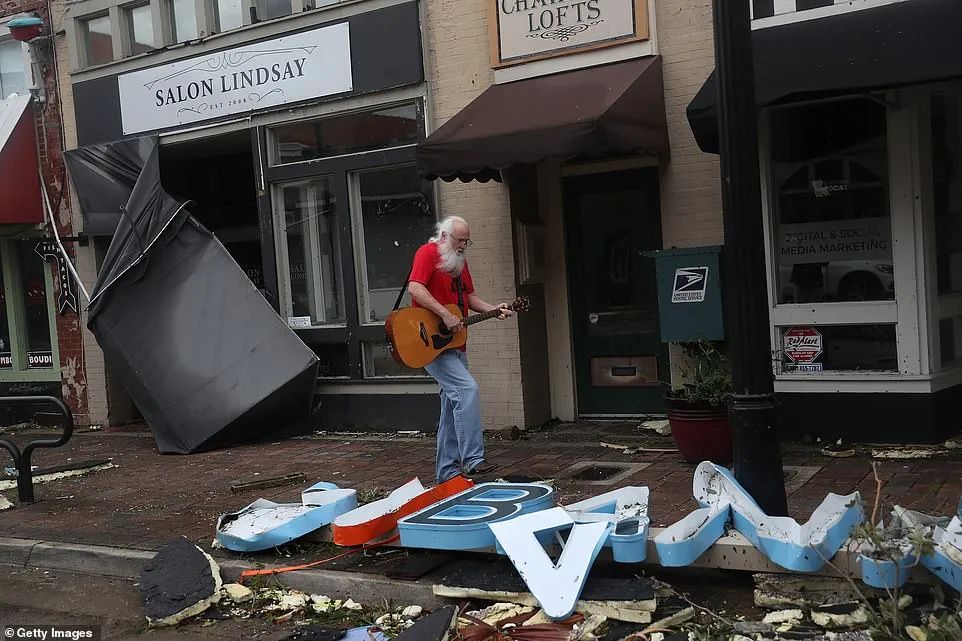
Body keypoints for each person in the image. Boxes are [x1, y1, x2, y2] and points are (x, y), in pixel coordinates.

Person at [407, 215, 513, 484]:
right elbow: (415, 288)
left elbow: (468, 297)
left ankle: (447, 473)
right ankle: (473, 459)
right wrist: (445, 314)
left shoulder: (459, 262)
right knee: (467, 390)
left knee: (452, 406)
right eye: (460, 240)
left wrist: (493, 309)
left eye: (467, 241)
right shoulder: (427, 253)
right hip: (429, 344)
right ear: (445, 235)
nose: (464, 245)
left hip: (454, 344)